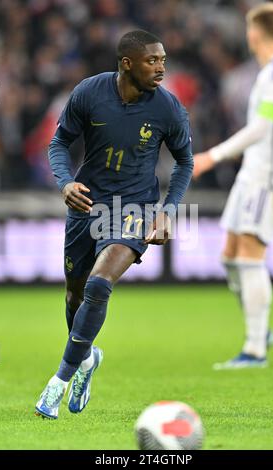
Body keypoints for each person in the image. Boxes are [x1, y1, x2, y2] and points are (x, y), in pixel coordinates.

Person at [35, 30, 193, 419]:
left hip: (133, 209)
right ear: (126, 64)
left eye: (163, 60)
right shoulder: (90, 92)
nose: (161, 68)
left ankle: (57, 382)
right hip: (86, 205)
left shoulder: (168, 108)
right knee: (74, 297)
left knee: (99, 283)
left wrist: (167, 211)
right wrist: (65, 182)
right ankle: (87, 360)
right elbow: (58, 143)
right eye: (152, 61)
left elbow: (184, 162)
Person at [193, 2, 273, 369]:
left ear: (254, 33)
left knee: (250, 257)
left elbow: (262, 128)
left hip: (267, 178)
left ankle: (255, 349)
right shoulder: (268, 72)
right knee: (230, 256)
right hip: (252, 174)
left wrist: (213, 156)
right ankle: (260, 326)